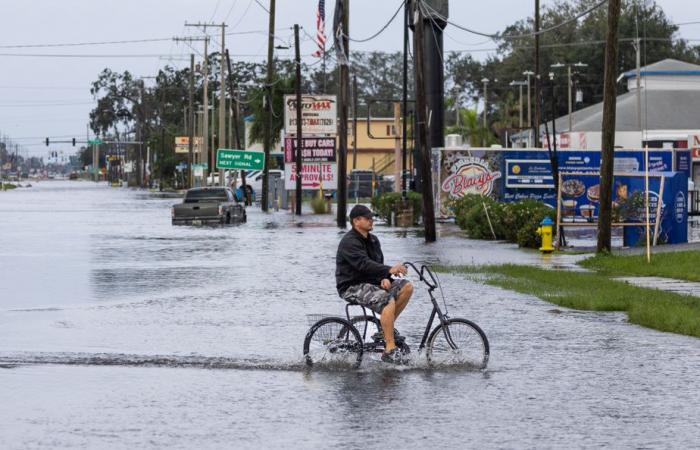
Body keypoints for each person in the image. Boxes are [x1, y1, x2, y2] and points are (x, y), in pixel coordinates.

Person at [335, 204, 414, 364]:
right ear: (356, 221)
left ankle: (383, 332)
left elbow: (377, 265)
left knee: (407, 287)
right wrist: (390, 269)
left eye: (372, 217)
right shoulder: (349, 242)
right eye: (368, 218)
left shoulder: (373, 240)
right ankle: (390, 349)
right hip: (352, 286)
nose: (372, 220)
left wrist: (385, 278)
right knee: (387, 300)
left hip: (370, 283)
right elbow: (363, 264)